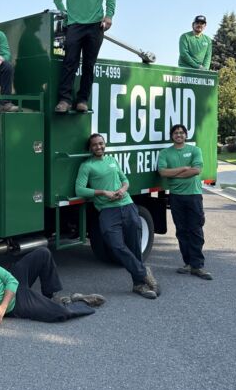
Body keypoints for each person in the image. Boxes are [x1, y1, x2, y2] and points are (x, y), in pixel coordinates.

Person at [75, 133, 160, 299]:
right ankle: (144, 273)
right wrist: (103, 192)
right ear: (90, 148)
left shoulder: (112, 160)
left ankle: (139, 285)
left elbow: (125, 180)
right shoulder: (87, 166)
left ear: (104, 144)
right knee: (116, 246)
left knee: (135, 245)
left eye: (101, 143)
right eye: (95, 145)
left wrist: (122, 190)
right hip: (107, 210)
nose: (99, 147)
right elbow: (79, 189)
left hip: (127, 205)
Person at [0, 247, 104, 325]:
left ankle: (50, 296)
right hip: (16, 303)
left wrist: (2, 307)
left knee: (43, 253)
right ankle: (79, 301)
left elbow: (11, 280)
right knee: (60, 314)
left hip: (11, 289)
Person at [53, 0, 116, 114]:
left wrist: (109, 15)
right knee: (69, 62)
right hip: (74, 25)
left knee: (89, 64)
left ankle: (82, 100)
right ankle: (64, 100)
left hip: (95, 25)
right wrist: (64, 12)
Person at [157, 123, 212, 280]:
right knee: (181, 231)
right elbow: (163, 172)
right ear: (172, 136)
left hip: (193, 195)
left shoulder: (195, 150)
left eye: (181, 132)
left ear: (186, 135)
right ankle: (188, 263)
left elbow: (196, 170)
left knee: (195, 230)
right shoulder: (165, 153)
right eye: (176, 133)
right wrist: (184, 169)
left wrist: (175, 174)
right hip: (176, 196)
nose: (179, 135)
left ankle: (197, 266)